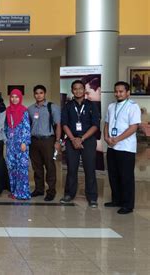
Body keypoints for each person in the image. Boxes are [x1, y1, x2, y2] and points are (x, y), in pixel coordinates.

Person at [60, 80, 100, 207]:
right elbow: (64, 124)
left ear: (84, 90)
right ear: (72, 91)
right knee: (71, 169)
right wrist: (73, 139)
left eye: (80, 88)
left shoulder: (91, 105)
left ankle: (92, 197)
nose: (78, 91)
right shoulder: (67, 106)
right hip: (72, 140)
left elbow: (95, 125)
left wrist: (81, 139)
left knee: (89, 169)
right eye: (75, 89)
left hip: (88, 140)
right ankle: (69, 194)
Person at [104, 81, 141, 214]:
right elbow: (106, 123)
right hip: (112, 146)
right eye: (116, 91)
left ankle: (127, 204)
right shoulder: (111, 106)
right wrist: (106, 137)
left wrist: (117, 139)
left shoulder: (133, 106)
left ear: (127, 93)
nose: (118, 94)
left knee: (126, 176)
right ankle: (116, 200)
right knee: (113, 175)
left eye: (121, 91)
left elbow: (133, 127)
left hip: (126, 147)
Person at [27, 85, 61, 201]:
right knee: (37, 167)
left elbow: (58, 126)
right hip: (34, 141)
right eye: (36, 93)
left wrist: (57, 141)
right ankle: (39, 189)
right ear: (34, 94)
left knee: (50, 166)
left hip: (48, 140)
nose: (39, 95)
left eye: (41, 93)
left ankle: (51, 191)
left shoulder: (53, 107)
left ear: (45, 94)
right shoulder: (30, 109)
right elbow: (28, 125)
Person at [5, 89, 31, 200]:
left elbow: (27, 127)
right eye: (12, 97)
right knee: (11, 167)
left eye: (17, 97)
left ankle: (23, 192)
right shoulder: (7, 110)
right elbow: (6, 127)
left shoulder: (24, 110)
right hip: (11, 144)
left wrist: (25, 142)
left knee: (22, 168)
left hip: (21, 144)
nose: (14, 99)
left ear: (20, 98)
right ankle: (14, 191)